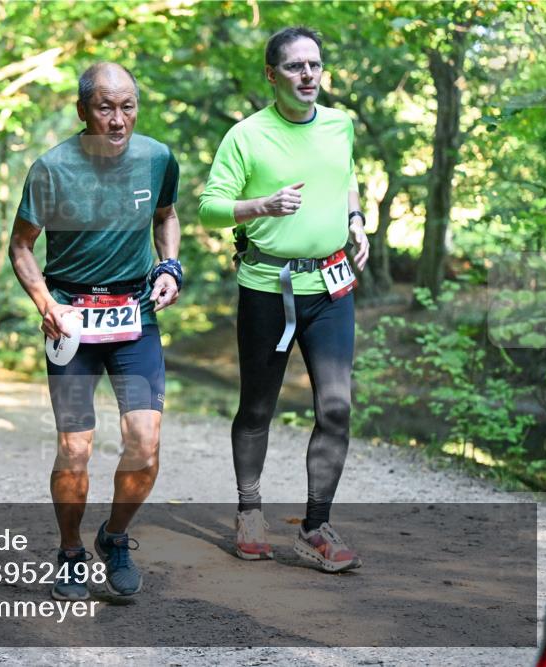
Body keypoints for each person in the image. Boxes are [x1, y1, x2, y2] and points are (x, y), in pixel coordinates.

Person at [198, 26, 370, 573]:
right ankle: (250, 511)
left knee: (337, 408)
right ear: (272, 75)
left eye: (315, 65)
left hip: (331, 287)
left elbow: (345, 176)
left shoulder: (340, 125)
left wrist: (355, 220)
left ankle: (316, 527)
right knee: (257, 407)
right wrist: (260, 207)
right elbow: (209, 207)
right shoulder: (245, 136)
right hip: (267, 289)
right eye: (295, 67)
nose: (308, 75)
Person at [9, 63, 181, 600]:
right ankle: (69, 551)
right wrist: (45, 304)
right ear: (83, 110)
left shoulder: (157, 158)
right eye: (105, 107)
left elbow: (167, 216)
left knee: (144, 445)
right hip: (72, 320)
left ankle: (115, 536)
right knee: (75, 449)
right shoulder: (51, 168)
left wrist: (169, 266)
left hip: (134, 316)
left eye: (127, 106)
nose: (117, 119)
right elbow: (20, 247)